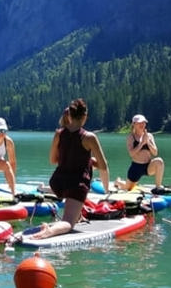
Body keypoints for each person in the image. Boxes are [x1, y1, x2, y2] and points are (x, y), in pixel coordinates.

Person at [31, 98, 111, 239]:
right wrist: (106, 191)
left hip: (57, 183)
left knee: (73, 200)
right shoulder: (89, 137)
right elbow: (104, 166)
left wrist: (86, 160)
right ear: (85, 116)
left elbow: (53, 160)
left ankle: (76, 215)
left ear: (69, 115)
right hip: (75, 186)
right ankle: (49, 230)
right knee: (68, 223)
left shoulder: (59, 133)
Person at [115, 114, 166, 193]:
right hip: (136, 167)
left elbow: (155, 153)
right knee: (127, 188)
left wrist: (148, 142)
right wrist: (142, 143)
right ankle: (118, 182)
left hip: (148, 166)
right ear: (134, 124)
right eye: (139, 123)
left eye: (144, 123)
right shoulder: (131, 137)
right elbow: (131, 154)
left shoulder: (149, 136)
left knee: (159, 161)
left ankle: (158, 188)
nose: (142, 125)